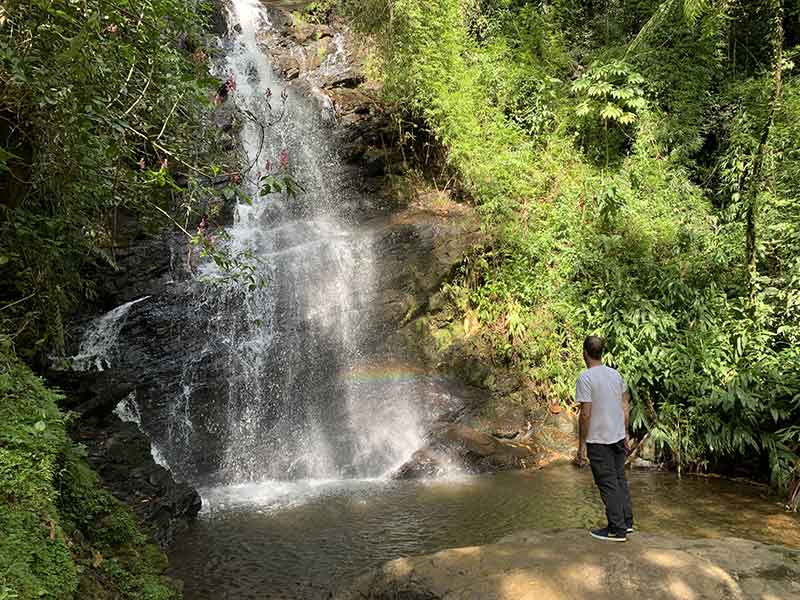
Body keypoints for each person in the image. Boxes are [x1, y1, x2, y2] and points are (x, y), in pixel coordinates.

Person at [575, 336, 634, 542]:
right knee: (619, 480)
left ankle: (616, 530)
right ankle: (626, 524)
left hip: (599, 440)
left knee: (607, 483)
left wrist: (581, 445)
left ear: (585, 353)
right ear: (602, 353)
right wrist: (625, 433)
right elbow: (625, 404)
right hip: (617, 436)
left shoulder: (586, 378)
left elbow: (585, 414)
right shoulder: (615, 375)